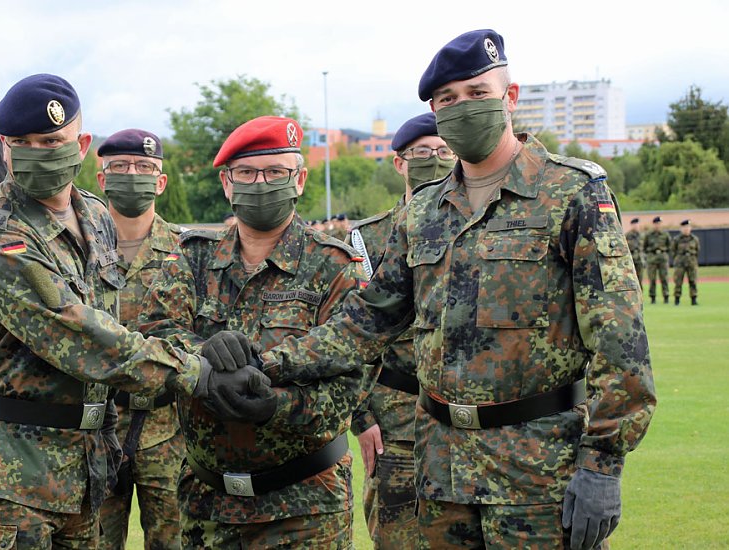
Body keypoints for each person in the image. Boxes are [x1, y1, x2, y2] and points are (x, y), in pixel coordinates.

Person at [255, 30, 656, 550]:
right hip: (441, 472)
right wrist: (267, 364)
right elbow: (365, 322)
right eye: (448, 99)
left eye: (477, 93)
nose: (463, 106)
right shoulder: (424, 210)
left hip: (539, 473)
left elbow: (619, 339)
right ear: (435, 112)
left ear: (510, 97)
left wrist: (603, 462)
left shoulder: (572, 192)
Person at [0, 73, 265, 548]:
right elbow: (79, 334)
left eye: (51, 141)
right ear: (4, 147)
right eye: (21, 142)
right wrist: (198, 373)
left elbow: (116, 319)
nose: (36, 151)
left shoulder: (94, 216)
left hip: (84, 464)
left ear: (81, 145)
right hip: (8, 470)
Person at [139, 115, 377, 548]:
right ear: (227, 184)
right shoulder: (193, 258)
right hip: (207, 505)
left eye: (275, 172)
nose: (260, 183)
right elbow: (154, 331)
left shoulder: (335, 267)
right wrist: (204, 353)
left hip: (305, 507)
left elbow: (352, 380)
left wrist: (274, 405)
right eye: (246, 173)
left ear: (299, 180)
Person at [348, 111, 454, 549]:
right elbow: (350, 334)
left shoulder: (479, 229)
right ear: (399, 163)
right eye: (422, 152)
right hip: (395, 421)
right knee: (397, 537)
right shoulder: (368, 239)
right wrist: (361, 417)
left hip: (466, 418)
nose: (435, 159)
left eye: (444, 151)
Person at [95, 129, 186, 549]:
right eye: (120, 167)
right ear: (102, 179)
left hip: (170, 430)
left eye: (145, 167)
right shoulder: (78, 249)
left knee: (174, 542)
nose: (133, 174)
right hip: (96, 429)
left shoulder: (188, 251)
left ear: (160, 181)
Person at [643, 215, 672, 304]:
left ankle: (666, 296)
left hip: (662, 258)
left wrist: (664, 253)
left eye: (659, 223)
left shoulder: (665, 235)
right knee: (652, 279)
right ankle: (653, 297)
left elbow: (669, 246)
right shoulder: (649, 235)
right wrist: (650, 253)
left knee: (664, 278)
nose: (658, 225)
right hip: (652, 258)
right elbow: (644, 247)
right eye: (656, 224)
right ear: (654, 224)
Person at [672, 219, 700, 305]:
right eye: (684, 227)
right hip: (680, 263)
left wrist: (693, 259)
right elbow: (673, 251)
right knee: (678, 281)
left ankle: (694, 299)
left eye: (688, 227)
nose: (686, 229)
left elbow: (697, 251)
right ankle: (677, 299)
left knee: (693, 281)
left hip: (691, 262)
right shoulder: (677, 239)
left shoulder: (694, 239)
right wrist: (678, 259)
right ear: (681, 229)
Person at [625, 217, 645, 290]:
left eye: (637, 224)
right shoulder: (627, 235)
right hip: (631, 259)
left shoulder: (641, 235)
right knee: (630, 278)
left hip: (639, 259)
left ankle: (640, 293)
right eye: (635, 224)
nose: (636, 226)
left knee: (640, 278)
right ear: (632, 225)